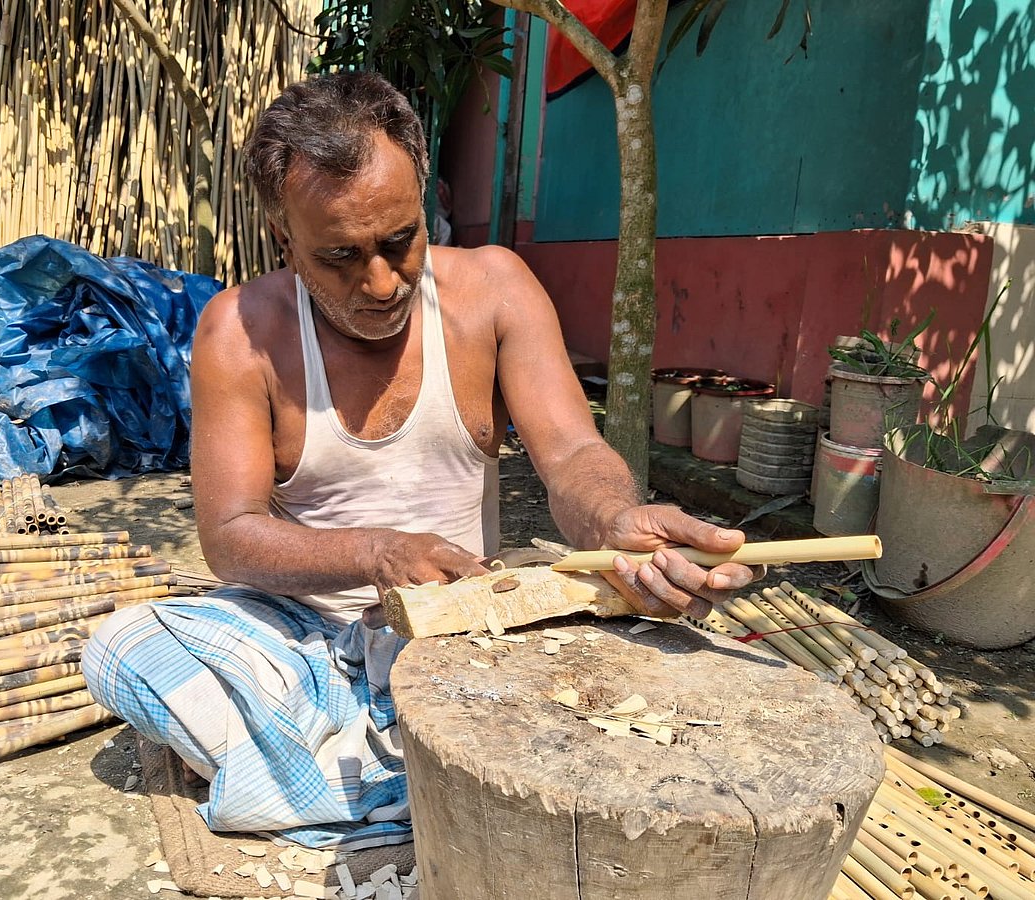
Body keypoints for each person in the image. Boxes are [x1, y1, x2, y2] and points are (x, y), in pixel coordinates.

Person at [82, 71, 758, 850]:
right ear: (284, 241)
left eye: (400, 241)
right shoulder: (239, 331)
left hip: (465, 637)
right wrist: (376, 552)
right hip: (310, 639)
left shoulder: (495, 288)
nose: (381, 282)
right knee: (124, 648)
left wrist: (614, 517)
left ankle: (362, 767)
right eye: (340, 256)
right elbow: (231, 536)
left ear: (425, 200)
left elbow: (572, 451)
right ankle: (405, 772)